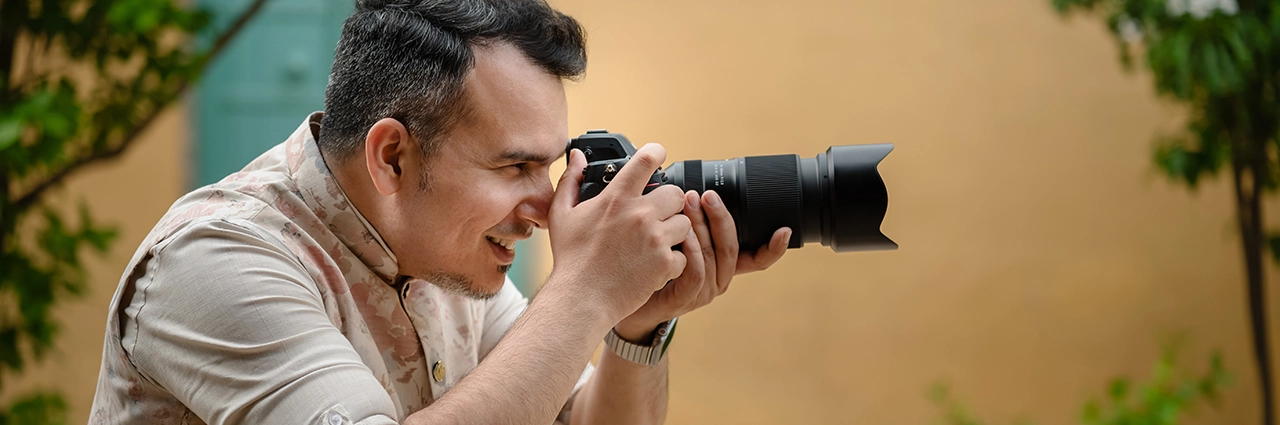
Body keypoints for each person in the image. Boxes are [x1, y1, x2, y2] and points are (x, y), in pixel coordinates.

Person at [89, 0, 792, 424]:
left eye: (548, 166)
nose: (547, 207)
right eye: (515, 166)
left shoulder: (440, 250)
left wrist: (634, 324)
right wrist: (586, 290)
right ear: (392, 156)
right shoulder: (212, 260)